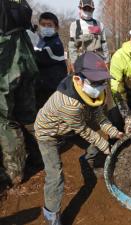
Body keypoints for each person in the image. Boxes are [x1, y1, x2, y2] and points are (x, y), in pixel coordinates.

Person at [34, 52, 123, 224]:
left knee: (95, 143)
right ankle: (51, 214)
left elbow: (99, 116)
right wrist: (107, 147)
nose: (100, 86)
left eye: (102, 82)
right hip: (48, 133)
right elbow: (83, 130)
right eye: (95, 82)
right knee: (55, 176)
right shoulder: (69, 104)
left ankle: (86, 163)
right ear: (78, 80)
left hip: (69, 126)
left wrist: (114, 132)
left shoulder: (95, 93)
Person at [0, 0, 39, 186]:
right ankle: (40, 157)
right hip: (25, 58)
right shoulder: (18, 2)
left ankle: (14, 173)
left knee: (4, 120)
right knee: (28, 115)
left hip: (6, 65)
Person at [34, 12, 67, 109]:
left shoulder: (56, 44)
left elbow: (40, 57)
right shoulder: (41, 41)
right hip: (42, 86)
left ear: (56, 28)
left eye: (49, 25)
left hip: (53, 87)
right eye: (43, 25)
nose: (46, 27)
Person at [68, 0, 110, 71]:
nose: (87, 11)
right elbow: (72, 47)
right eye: (85, 9)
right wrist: (74, 63)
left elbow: (104, 44)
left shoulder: (99, 24)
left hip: (97, 61)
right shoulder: (74, 25)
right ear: (80, 9)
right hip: (81, 62)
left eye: (89, 9)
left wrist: (107, 61)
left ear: (93, 10)